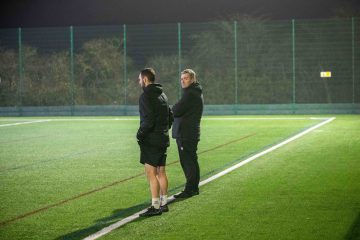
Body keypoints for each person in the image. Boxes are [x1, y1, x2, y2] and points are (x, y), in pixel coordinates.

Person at [136, 68, 173, 217]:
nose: (139, 82)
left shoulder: (145, 96)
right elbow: (170, 116)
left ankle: (155, 206)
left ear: (145, 80)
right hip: (163, 138)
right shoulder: (163, 94)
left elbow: (148, 120)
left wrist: (140, 134)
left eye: (139, 79)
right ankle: (164, 203)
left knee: (151, 173)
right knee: (161, 172)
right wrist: (163, 130)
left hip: (151, 140)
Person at [172, 69, 204, 198]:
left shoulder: (190, 94)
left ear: (192, 79)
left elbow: (177, 110)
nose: (183, 81)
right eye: (181, 78)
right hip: (190, 132)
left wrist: (172, 109)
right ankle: (193, 188)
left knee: (188, 162)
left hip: (186, 133)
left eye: (185, 78)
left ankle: (190, 189)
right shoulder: (193, 92)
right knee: (191, 161)